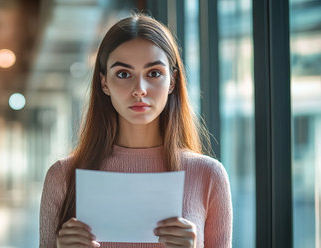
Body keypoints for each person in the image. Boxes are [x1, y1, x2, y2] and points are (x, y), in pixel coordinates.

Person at [40, 13, 232, 248]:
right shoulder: (63, 176)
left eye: (153, 73)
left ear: (171, 81)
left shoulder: (209, 175)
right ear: (104, 83)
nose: (139, 89)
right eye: (123, 74)